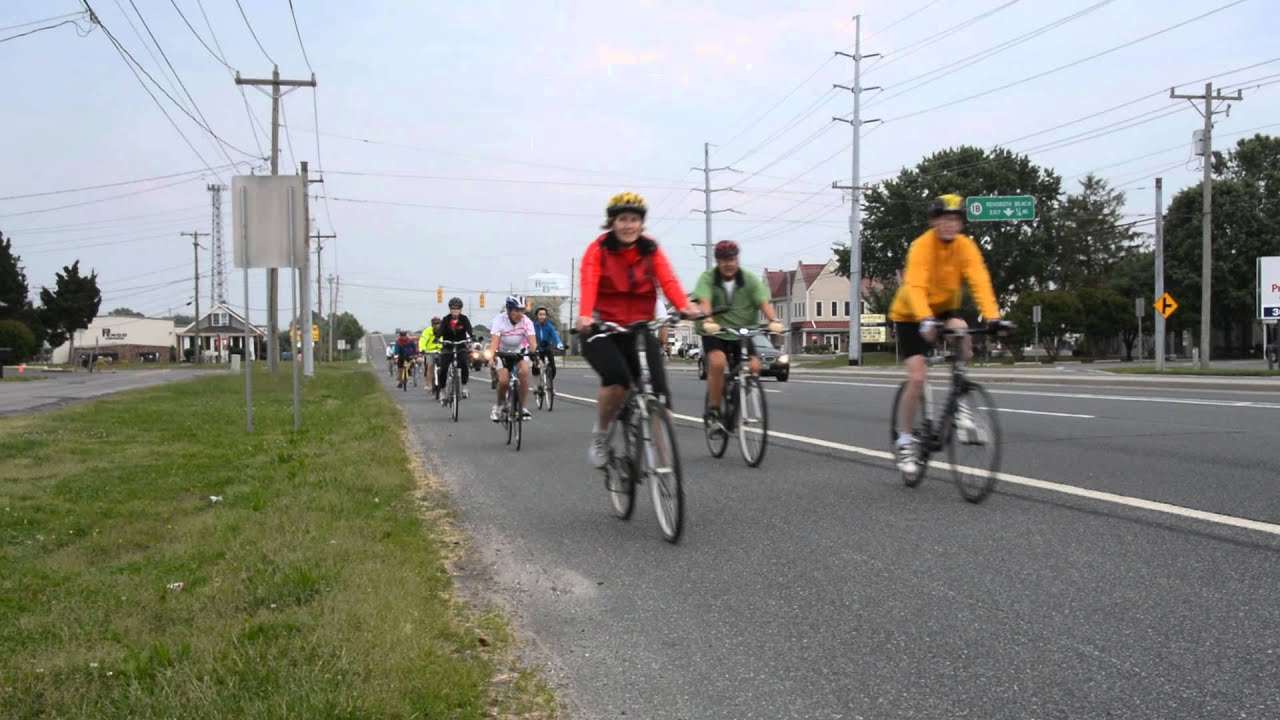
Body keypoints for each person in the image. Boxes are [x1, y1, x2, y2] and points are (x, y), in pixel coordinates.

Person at [888, 193, 1011, 475]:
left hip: (944, 307)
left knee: (963, 336)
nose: (949, 224)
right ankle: (906, 439)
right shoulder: (921, 246)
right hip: (910, 313)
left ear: (961, 224)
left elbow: (980, 280)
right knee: (918, 378)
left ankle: (961, 403)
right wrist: (925, 320)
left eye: (954, 219)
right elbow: (916, 286)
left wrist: (994, 317)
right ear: (934, 221)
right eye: (943, 219)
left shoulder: (966, 247)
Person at [576, 191, 692, 468]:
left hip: (639, 329)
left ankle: (664, 468)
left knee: (660, 397)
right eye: (623, 219)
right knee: (617, 380)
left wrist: (684, 305)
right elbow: (589, 283)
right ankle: (602, 435)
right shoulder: (598, 249)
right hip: (603, 328)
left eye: (634, 220)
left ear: (642, 223)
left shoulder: (650, 249)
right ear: (612, 223)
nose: (629, 225)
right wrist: (584, 316)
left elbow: (668, 280)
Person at [692, 240, 784, 432]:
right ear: (717, 261)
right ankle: (714, 411)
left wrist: (773, 320)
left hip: (742, 331)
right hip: (716, 331)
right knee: (717, 363)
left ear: (737, 259)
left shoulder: (749, 279)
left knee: (754, 366)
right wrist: (708, 320)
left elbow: (763, 302)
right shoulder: (708, 278)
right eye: (724, 260)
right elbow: (704, 300)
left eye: (732, 259)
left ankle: (737, 396)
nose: (728, 264)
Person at [488, 296, 537, 422]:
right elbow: (494, 342)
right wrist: (492, 356)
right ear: (509, 310)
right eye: (516, 310)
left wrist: (533, 353)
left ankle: (522, 407)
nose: (520, 314)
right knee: (504, 381)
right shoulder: (499, 320)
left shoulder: (527, 321)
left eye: (522, 310)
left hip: (518, 350)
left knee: (524, 373)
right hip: (502, 351)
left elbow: (532, 343)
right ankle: (498, 406)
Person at [435, 297, 474, 401]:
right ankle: (442, 390)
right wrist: (438, 337)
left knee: (464, 363)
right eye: (453, 308)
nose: (455, 311)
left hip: (461, 346)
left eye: (457, 309)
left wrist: (472, 336)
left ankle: (464, 386)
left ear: (461, 309)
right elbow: (441, 331)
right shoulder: (446, 320)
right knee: (443, 368)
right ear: (450, 309)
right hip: (448, 346)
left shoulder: (464, 319)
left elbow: (469, 330)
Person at [531, 306, 564, 382]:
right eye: (540, 314)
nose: (542, 316)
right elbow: (528, 336)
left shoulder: (549, 326)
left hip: (547, 347)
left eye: (544, 314)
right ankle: (537, 385)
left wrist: (559, 343)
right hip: (537, 349)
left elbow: (555, 335)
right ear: (537, 316)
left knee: (553, 367)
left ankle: (549, 384)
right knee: (536, 366)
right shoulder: (533, 326)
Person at [419, 316, 443, 397]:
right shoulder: (427, 331)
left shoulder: (444, 330)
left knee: (445, 366)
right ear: (432, 325)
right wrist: (422, 349)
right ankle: (429, 384)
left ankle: (444, 384)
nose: (437, 325)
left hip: (441, 351)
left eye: (438, 323)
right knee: (430, 366)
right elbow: (423, 340)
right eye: (435, 324)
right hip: (430, 351)